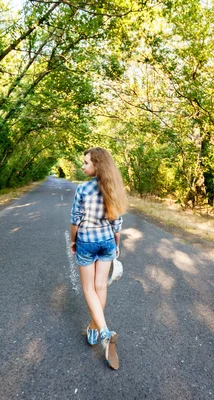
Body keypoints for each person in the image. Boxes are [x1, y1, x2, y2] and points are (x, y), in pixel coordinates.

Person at [70, 147, 127, 370]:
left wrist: (73, 241)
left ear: (97, 166)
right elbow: (117, 224)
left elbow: (75, 220)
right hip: (107, 242)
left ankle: (103, 331)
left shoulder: (83, 189)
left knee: (88, 288)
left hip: (86, 241)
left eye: (86, 163)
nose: (83, 166)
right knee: (100, 286)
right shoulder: (113, 189)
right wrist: (117, 246)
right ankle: (93, 329)